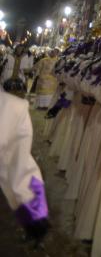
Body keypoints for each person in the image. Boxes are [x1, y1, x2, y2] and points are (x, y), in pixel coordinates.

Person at [0, 85, 50, 244]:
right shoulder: (10, 107)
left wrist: (34, 210)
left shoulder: (10, 108)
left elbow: (17, 162)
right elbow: (18, 165)